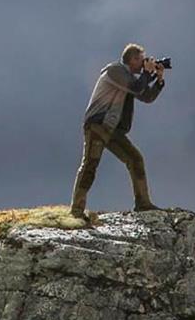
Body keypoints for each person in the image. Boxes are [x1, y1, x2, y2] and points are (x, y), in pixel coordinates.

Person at [70, 42, 167, 221]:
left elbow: (146, 96)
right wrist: (147, 73)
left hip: (113, 129)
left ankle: (143, 203)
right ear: (132, 59)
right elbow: (138, 88)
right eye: (141, 60)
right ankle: (76, 211)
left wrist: (158, 80)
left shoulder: (129, 78)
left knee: (135, 159)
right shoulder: (115, 71)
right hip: (98, 124)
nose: (144, 63)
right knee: (90, 165)